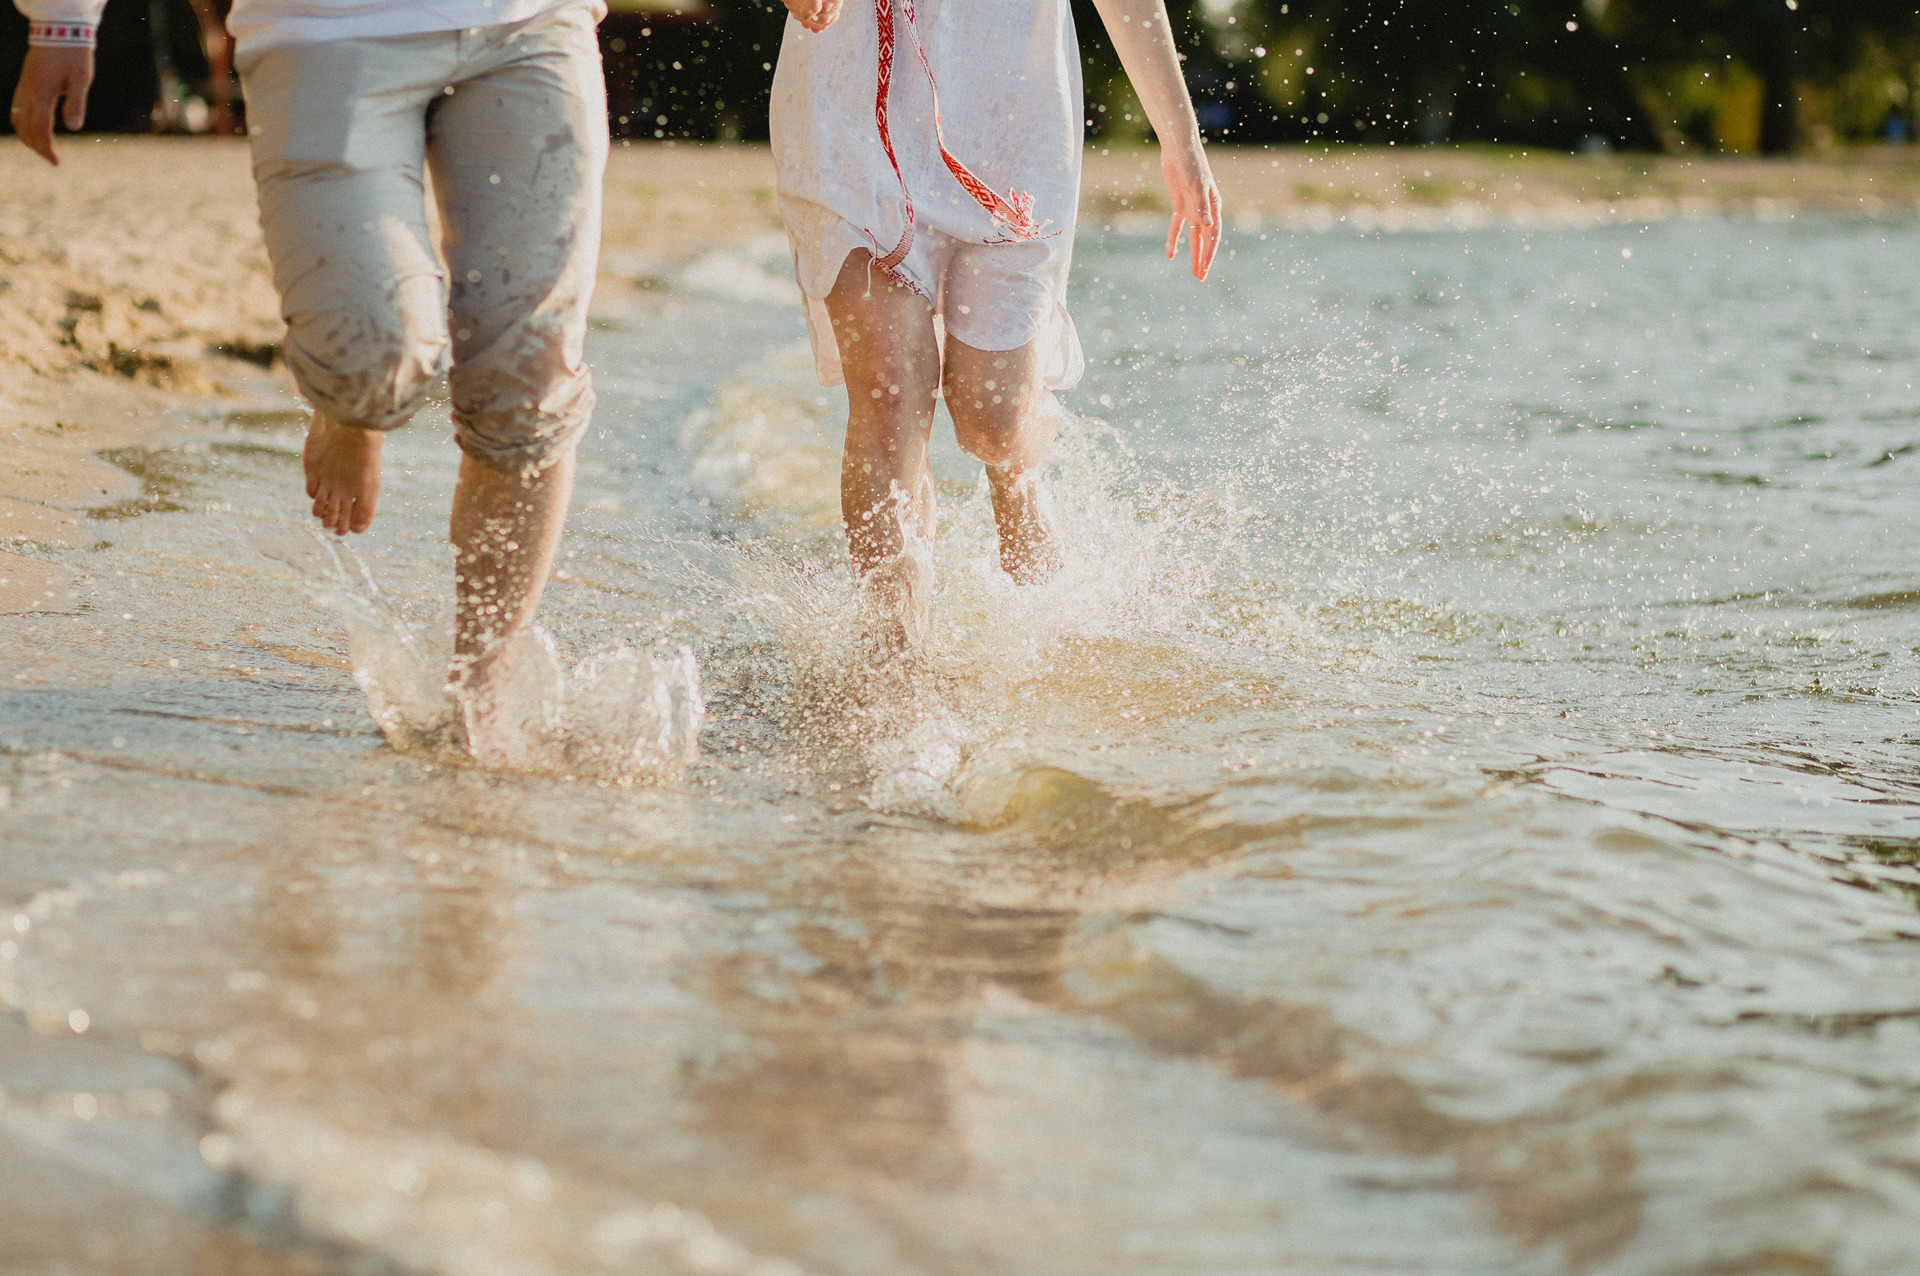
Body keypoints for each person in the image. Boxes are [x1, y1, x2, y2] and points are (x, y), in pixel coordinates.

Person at [9, 0, 610, 764]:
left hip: (533, 25)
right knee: (371, 354)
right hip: (328, 29)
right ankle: (351, 407)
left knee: (530, 386)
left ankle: (480, 689)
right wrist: (62, 19)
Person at [771, 0, 1219, 648]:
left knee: (994, 421)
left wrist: (1181, 137)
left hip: (1013, 112)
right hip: (851, 97)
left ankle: (1015, 471)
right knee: (890, 392)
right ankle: (894, 673)